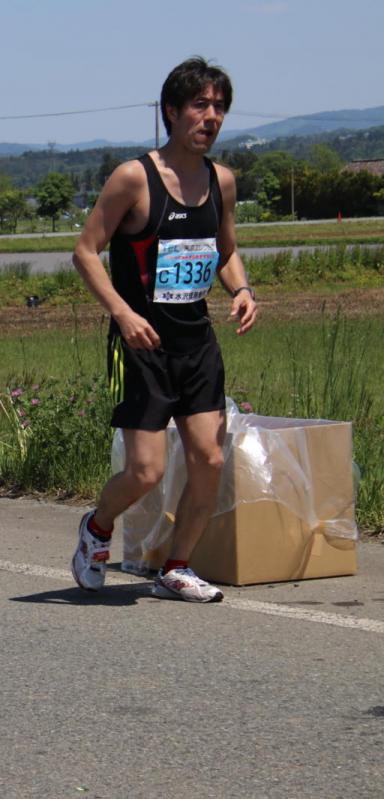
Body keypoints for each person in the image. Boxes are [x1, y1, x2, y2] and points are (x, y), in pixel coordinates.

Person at [70, 57, 258, 603]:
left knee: (210, 460)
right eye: (200, 105)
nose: (211, 116)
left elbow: (225, 252)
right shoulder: (135, 178)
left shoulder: (221, 181)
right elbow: (85, 252)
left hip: (196, 343)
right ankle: (97, 528)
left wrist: (242, 290)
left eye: (219, 107)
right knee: (147, 471)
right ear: (171, 112)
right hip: (140, 345)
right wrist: (122, 314)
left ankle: (177, 567)